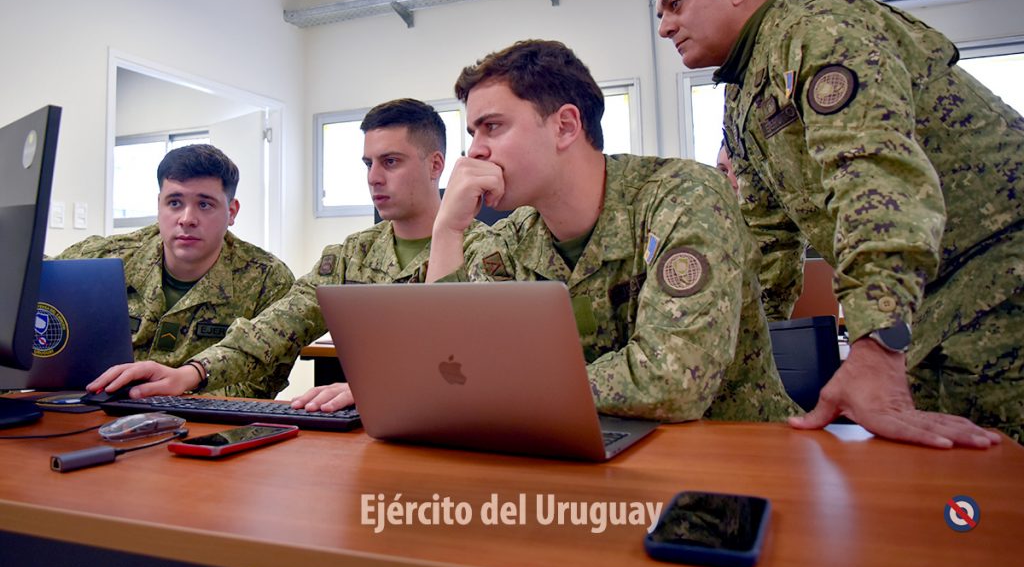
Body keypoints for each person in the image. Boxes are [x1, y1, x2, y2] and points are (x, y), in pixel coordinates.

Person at [651, 0, 1019, 446]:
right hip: (929, 306)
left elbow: (874, 174)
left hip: (1000, 273)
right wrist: (714, 350)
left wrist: (876, 341)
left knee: (1000, 471)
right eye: (661, 15)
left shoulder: (817, 30)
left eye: (675, 3)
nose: (665, 27)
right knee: (943, 470)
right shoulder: (742, 96)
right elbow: (766, 242)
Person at [427, 39, 797, 423]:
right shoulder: (512, 241)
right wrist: (447, 230)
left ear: (565, 126)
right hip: (580, 448)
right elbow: (449, 370)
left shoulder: (684, 198)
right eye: (473, 133)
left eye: (492, 127)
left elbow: (673, 379)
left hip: (730, 449)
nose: (475, 151)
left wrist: (510, 387)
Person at [89, 98, 454, 410]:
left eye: (390, 162)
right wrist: (193, 373)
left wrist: (383, 389)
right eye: (368, 164)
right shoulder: (351, 255)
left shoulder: (478, 249)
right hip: (375, 430)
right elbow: (277, 326)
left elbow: (466, 359)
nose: (373, 177)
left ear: (435, 165)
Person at [63, 144, 295, 398]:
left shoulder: (268, 280)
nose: (187, 219)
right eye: (174, 203)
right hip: (98, 411)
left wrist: (170, 395)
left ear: (231, 212)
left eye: (204, 205)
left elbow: (255, 387)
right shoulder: (104, 258)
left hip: (201, 420)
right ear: (159, 205)